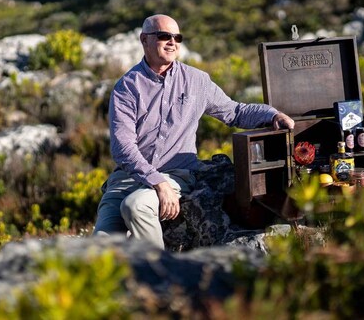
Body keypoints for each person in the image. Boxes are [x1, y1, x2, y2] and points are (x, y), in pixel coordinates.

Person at [93, 14, 295, 249]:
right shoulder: (127, 86)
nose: (172, 42)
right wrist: (157, 182)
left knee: (135, 206)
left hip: (175, 174)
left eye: (177, 37)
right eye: (164, 36)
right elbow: (123, 148)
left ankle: (160, 275)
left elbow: (235, 112)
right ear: (144, 40)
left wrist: (272, 115)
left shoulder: (196, 81)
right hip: (127, 178)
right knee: (101, 245)